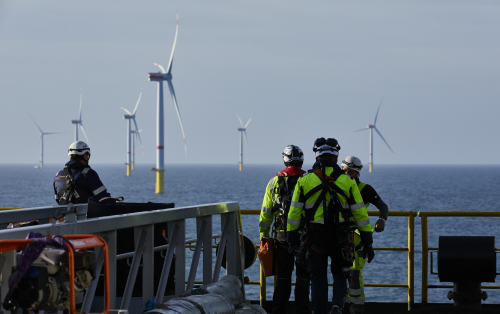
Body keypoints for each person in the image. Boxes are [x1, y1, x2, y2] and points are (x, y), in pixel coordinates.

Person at [287, 138, 374, 314]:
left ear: (317, 155)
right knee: (341, 274)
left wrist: (292, 240)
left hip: (315, 239)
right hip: (341, 238)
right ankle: (337, 306)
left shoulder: (304, 181)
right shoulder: (347, 181)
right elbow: (360, 215)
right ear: (336, 157)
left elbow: (294, 214)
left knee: (318, 279)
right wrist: (367, 241)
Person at [258, 145, 311, 314]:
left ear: (285, 160)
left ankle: (278, 310)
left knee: (283, 276)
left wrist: (264, 236)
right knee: (303, 276)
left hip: (281, 237)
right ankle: (303, 310)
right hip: (305, 236)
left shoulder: (273, 182)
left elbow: (266, 213)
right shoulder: (309, 180)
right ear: (301, 160)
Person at [340, 156, 388, 314]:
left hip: (357, 236)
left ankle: (356, 306)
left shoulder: (364, 189)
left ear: (357, 173)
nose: (347, 174)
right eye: (345, 171)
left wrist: (381, 219)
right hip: (340, 234)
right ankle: (344, 304)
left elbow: (382, 205)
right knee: (341, 271)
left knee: (355, 271)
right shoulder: (336, 186)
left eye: (351, 172)